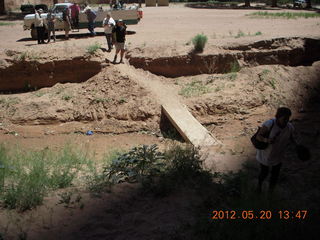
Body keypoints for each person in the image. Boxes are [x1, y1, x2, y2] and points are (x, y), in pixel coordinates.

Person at [255, 107, 299, 193]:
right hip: (265, 154)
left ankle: (271, 192)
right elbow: (258, 136)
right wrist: (267, 140)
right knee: (264, 173)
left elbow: (292, 138)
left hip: (278, 155)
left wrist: (297, 146)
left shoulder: (289, 127)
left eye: (288, 118)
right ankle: (259, 186)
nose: (286, 121)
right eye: (284, 118)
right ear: (278, 117)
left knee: (275, 175)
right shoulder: (269, 124)